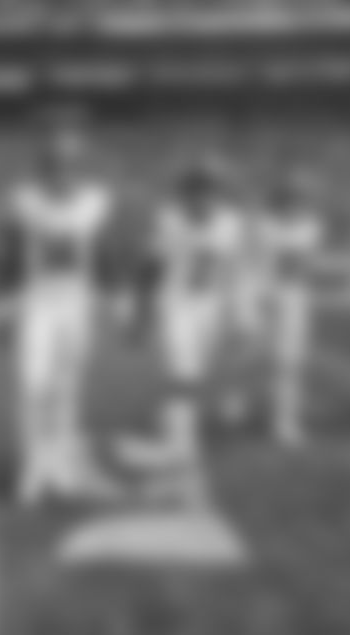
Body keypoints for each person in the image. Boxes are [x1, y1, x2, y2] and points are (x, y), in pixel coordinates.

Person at [117, 162, 246, 506]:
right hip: (176, 306)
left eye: (212, 191)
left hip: (209, 308)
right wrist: (139, 316)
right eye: (198, 191)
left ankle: (180, 453)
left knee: (190, 384)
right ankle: (182, 463)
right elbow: (149, 268)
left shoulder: (231, 223)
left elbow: (232, 269)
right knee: (181, 380)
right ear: (186, 194)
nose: (205, 199)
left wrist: (239, 314)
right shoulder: (168, 221)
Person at [4, 129, 115, 503]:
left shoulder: (95, 200)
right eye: (55, 162)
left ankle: (62, 465)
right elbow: (26, 233)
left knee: (68, 385)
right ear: (44, 165)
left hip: (76, 301)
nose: (62, 169)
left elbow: (87, 237)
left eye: (69, 162)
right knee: (33, 383)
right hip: (38, 301)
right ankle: (34, 465)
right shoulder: (25, 198)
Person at [252, 173, 327, 447]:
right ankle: (244, 401)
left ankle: (285, 421)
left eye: (301, 197)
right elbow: (261, 262)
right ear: (281, 198)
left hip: (295, 301)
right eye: (291, 196)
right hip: (266, 298)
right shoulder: (265, 226)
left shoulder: (311, 226)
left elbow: (304, 264)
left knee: (290, 363)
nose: (296, 202)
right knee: (258, 356)